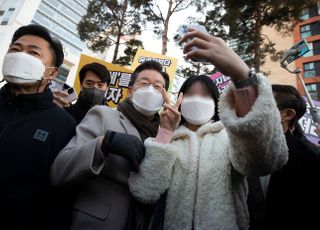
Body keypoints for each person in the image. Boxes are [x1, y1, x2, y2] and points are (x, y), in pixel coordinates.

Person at [128, 29, 288, 229]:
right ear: (179, 100)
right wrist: (164, 134)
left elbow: (265, 160)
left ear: (216, 102)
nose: (197, 99)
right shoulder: (169, 140)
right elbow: (145, 191)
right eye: (190, 94)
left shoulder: (230, 136)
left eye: (205, 95)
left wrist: (242, 76)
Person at [50, 60, 170, 230]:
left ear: (165, 96)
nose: (150, 89)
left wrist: (167, 131)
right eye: (144, 83)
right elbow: (59, 171)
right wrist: (104, 144)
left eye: (158, 86)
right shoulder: (104, 115)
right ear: (130, 91)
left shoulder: (164, 133)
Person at [0, 24, 76, 229]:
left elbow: (57, 200)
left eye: (33, 53)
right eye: (15, 49)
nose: (20, 56)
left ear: (51, 73)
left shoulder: (63, 124)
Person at [247, 84, 320, 229]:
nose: (252, 110)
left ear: (287, 115)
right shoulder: (241, 148)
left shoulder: (310, 159)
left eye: (263, 104)